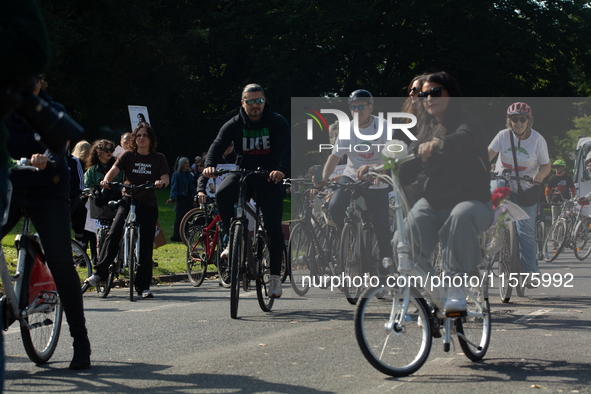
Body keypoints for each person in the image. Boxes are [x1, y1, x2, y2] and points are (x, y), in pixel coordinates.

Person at [3, 75, 92, 369]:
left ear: (41, 82)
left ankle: (81, 342)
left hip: (49, 189)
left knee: (61, 262)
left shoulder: (52, 111)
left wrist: (46, 157)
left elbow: (60, 147)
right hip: (13, 188)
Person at [393, 71, 493, 313]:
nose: (428, 98)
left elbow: (464, 139)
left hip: (473, 201)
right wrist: (382, 167)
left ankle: (456, 286)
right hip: (433, 201)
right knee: (401, 241)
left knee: (459, 216)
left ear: (452, 95)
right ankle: (436, 294)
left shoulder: (469, 121)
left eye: (435, 92)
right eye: (424, 94)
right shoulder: (424, 131)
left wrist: (440, 143)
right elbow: (407, 173)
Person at [202, 83, 290, 298]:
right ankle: (233, 238)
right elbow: (218, 143)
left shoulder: (277, 121)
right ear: (243, 103)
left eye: (259, 101)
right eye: (250, 101)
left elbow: (287, 147)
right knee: (222, 193)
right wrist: (210, 164)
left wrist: (281, 170)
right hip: (244, 173)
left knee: (273, 227)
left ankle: (275, 278)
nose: (255, 106)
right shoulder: (235, 123)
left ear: (264, 101)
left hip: (269, 177)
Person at [85, 123, 169, 299]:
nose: (141, 138)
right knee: (114, 233)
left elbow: (165, 177)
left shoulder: (158, 158)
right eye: (138, 135)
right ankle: (100, 273)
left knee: (146, 244)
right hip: (128, 200)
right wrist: (106, 181)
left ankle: (142, 286)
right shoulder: (128, 155)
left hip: (148, 204)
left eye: (145, 135)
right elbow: (114, 170)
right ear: (134, 138)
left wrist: (161, 183)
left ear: (150, 139)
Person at [314, 89, 393, 276]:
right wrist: (324, 179)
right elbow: (334, 157)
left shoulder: (382, 126)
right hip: (351, 175)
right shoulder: (347, 128)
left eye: (361, 106)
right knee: (334, 207)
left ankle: (385, 271)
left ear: (370, 107)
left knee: (381, 226)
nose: (357, 110)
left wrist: (379, 169)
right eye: (353, 107)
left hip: (376, 177)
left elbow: (391, 155)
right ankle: (352, 240)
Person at [488, 102, 551, 279]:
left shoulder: (537, 140)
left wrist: (540, 175)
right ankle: (495, 233)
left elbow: (546, 165)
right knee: (493, 198)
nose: (518, 123)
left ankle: (531, 272)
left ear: (529, 121)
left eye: (522, 119)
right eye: (514, 119)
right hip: (503, 182)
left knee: (526, 232)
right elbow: (487, 155)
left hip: (526, 188)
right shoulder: (502, 136)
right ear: (509, 121)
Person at [166, 157, 196, 242]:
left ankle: (186, 235)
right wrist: (172, 197)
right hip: (181, 198)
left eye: (188, 163)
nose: (187, 165)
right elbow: (174, 187)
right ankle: (177, 235)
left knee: (189, 218)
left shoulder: (190, 175)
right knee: (179, 218)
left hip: (189, 199)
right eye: (185, 163)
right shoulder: (176, 174)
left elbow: (193, 187)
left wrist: (195, 198)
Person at [546, 159, 576, 224]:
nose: (556, 168)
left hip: (565, 201)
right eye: (555, 167)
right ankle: (554, 233)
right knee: (555, 220)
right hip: (555, 201)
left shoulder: (568, 178)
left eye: (558, 167)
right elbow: (548, 190)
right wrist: (549, 201)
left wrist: (571, 200)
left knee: (567, 218)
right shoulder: (552, 178)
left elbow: (573, 189)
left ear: (563, 168)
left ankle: (566, 232)